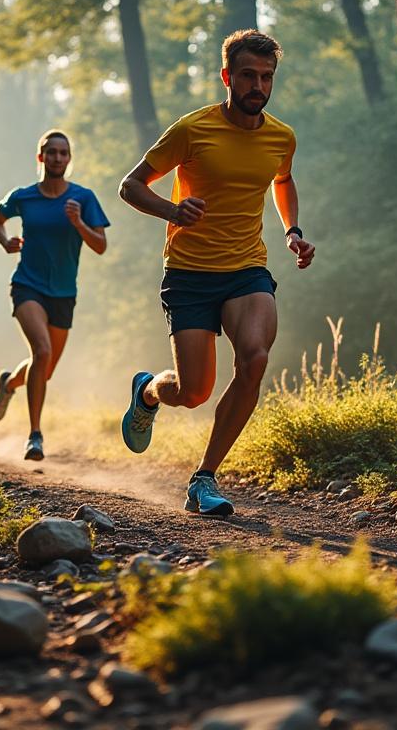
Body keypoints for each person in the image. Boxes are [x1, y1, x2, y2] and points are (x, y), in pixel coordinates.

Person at [116, 30, 316, 517]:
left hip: (248, 267)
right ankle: (147, 390)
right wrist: (172, 211)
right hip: (189, 272)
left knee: (254, 359)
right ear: (228, 77)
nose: (258, 86)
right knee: (192, 392)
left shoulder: (281, 137)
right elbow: (130, 186)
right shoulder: (192, 129)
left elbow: (282, 181)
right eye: (248, 75)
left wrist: (292, 230)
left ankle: (203, 478)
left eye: (266, 77)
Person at [0, 130, 109, 461]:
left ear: (69, 159)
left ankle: (10, 384)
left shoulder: (83, 198)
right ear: (40, 157)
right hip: (27, 285)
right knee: (41, 351)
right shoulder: (24, 196)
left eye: (63, 153)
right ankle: (35, 436)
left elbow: (100, 245)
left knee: (46, 367)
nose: (57, 158)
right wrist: (4, 241)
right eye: (51, 152)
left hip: (64, 293)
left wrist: (79, 222)